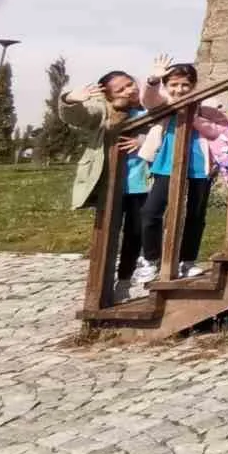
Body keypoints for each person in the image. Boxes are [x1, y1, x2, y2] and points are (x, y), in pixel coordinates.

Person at [59, 70, 150, 301]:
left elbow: (161, 132)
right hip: (110, 184)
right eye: (120, 89)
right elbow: (79, 117)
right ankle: (101, 286)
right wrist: (70, 99)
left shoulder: (148, 106)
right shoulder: (103, 111)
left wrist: (142, 141)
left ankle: (125, 281)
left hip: (141, 183)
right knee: (108, 232)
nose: (130, 90)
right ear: (108, 96)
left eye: (130, 84)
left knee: (135, 233)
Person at [135, 64, 228, 282]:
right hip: (167, 164)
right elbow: (148, 100)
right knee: (151, 211)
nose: (180, 89)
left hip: (198, 164)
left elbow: (223, 130)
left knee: (195, 215)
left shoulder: (206, 105)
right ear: (166, 86)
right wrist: (153, 81)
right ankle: (150, 259)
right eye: (174, 85)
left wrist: (198, 120)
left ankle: (187, 261)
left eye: (185, 85)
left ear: (194, 85)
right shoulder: (164, 103)